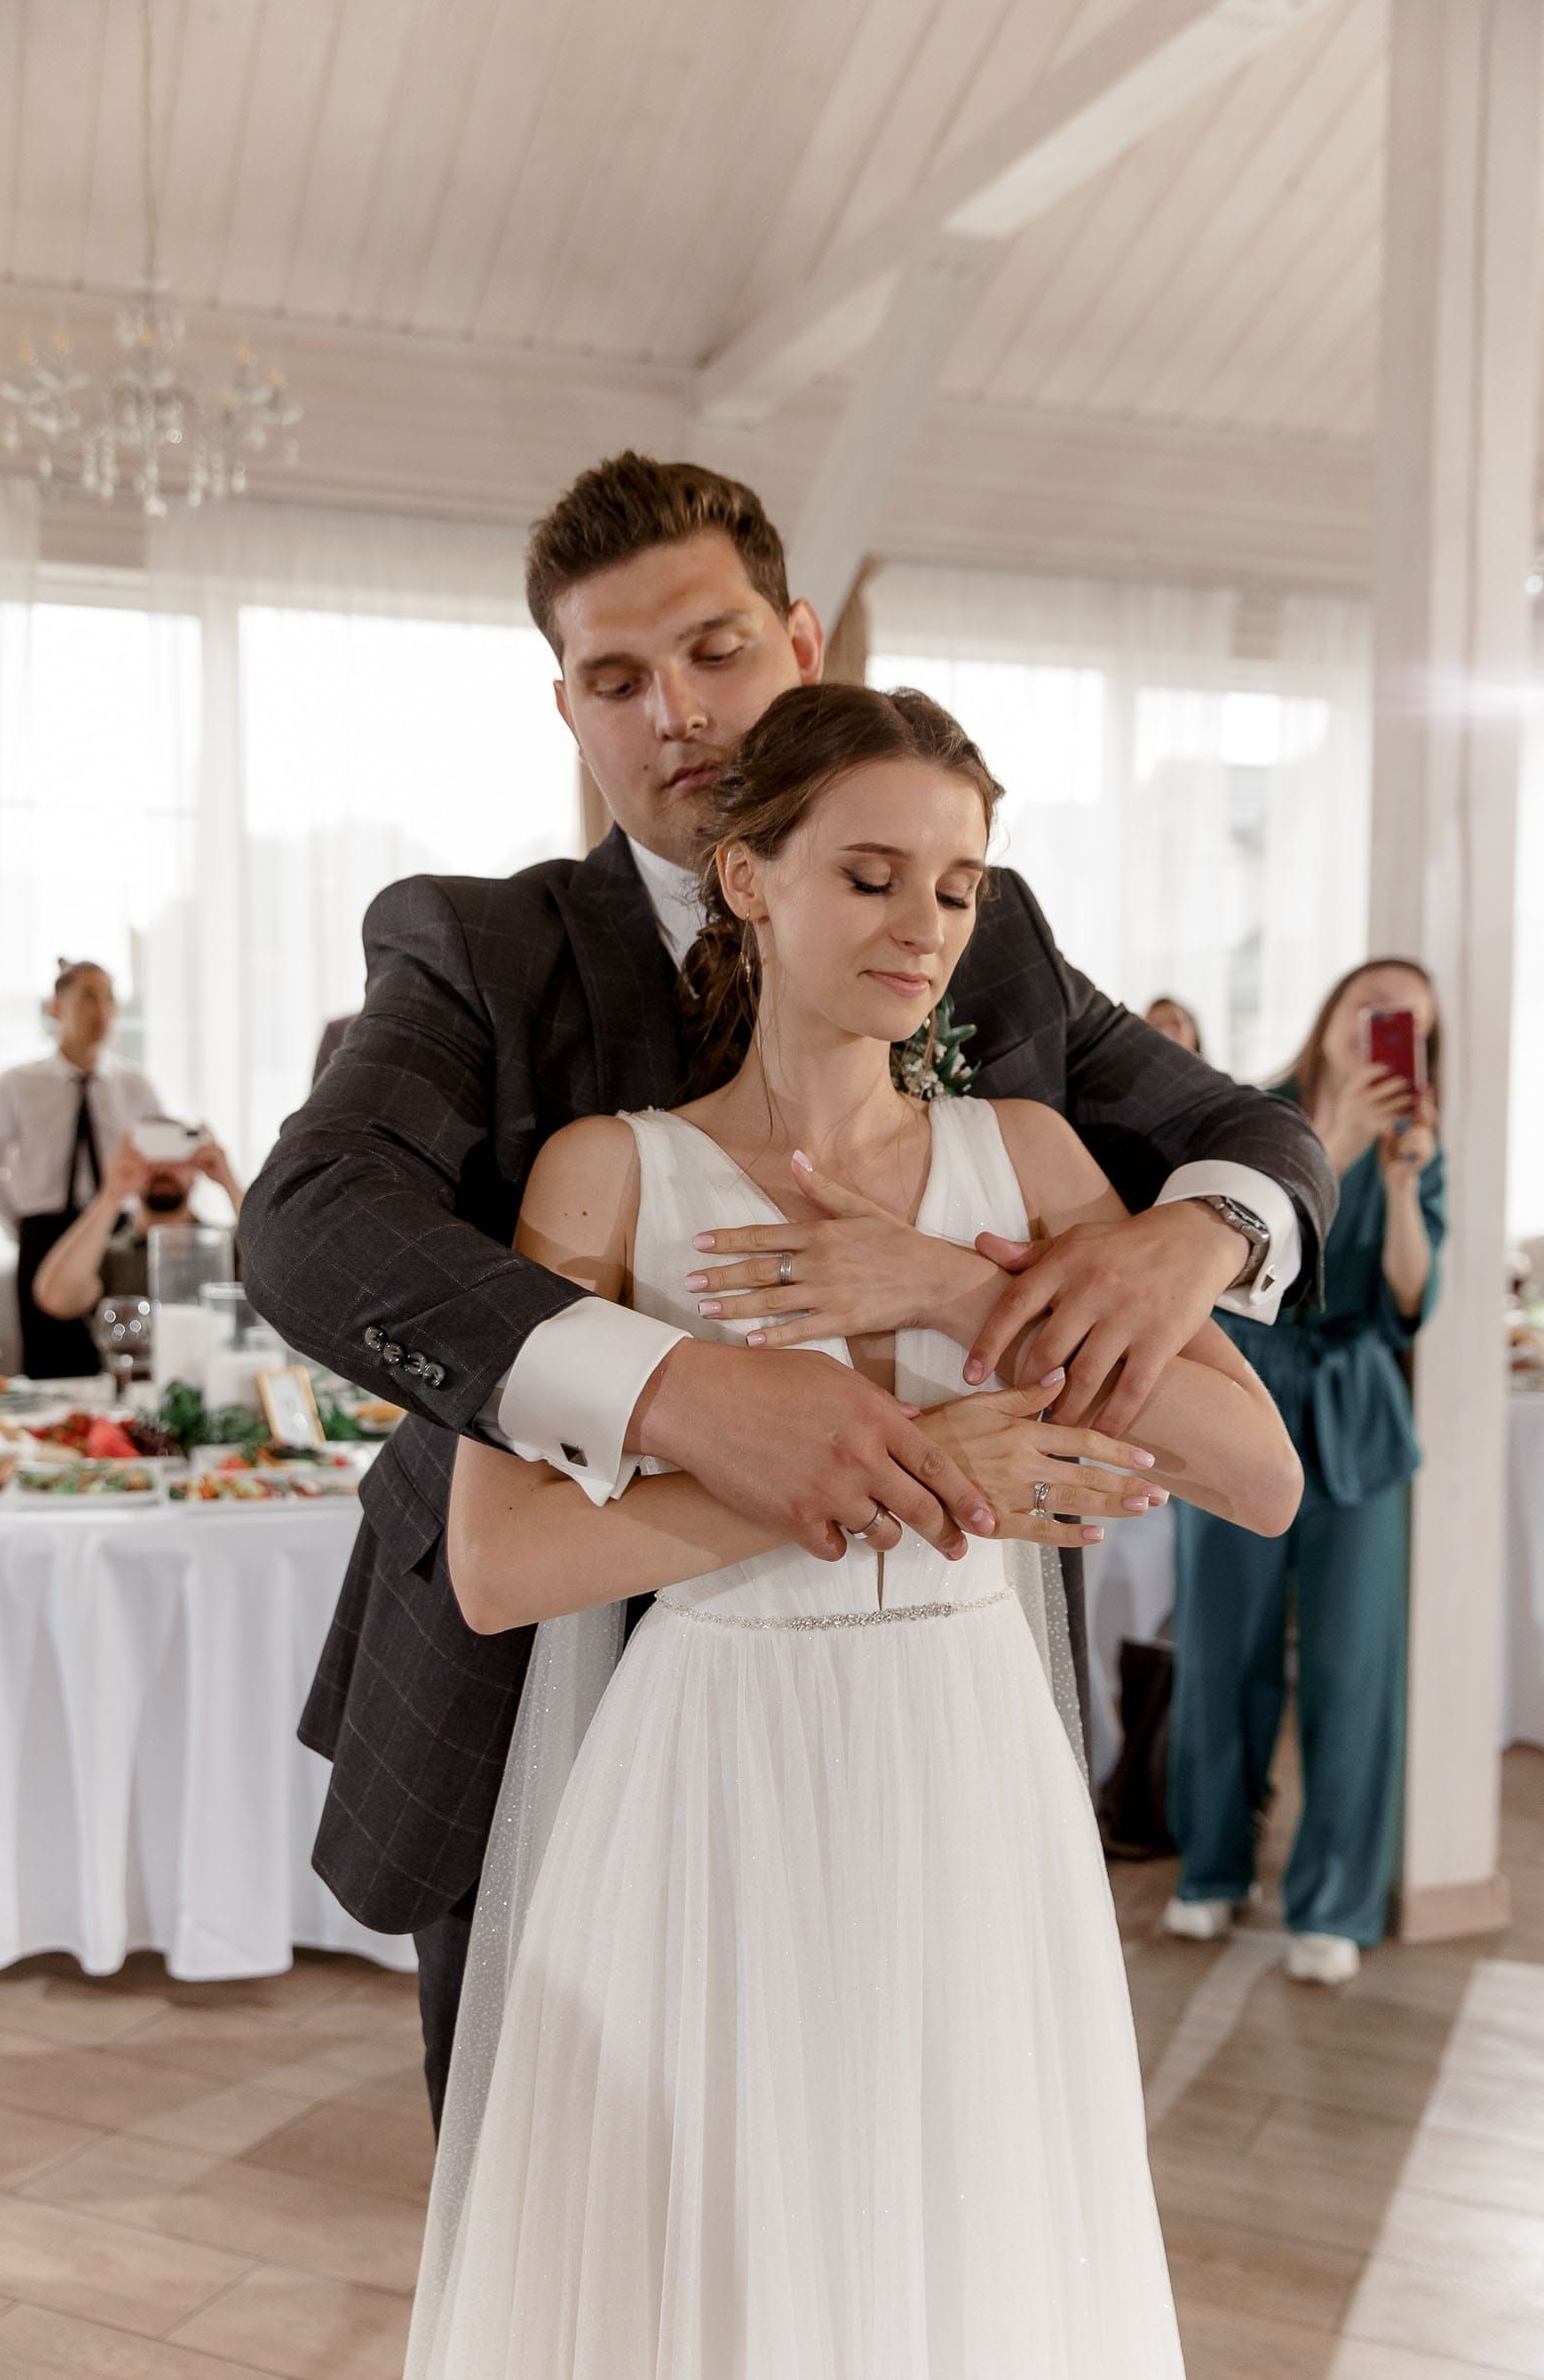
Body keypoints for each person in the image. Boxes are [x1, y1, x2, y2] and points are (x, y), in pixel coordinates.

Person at [239, 452, 1337, 2134]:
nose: (678, 711)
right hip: (542, 1680)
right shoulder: (481, 947)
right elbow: (313, 1222)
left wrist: (1184, 1243)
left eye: (718, 649)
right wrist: (688, 1398)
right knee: (588, 2233)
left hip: (923, 1738)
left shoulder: (980, 928)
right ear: (569, 711)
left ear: (802, 639)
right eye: (619, 679)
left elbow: (1238, 1134)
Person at [404, 683, 1302, 2376]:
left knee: (959, 2240)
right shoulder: (613, 1174)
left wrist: (962, 1283)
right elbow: (501, 1560)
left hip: (971, 1763)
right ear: (746, 877)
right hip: (710, 1760)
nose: (925, 927)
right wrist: (915, 1457)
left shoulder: (1021, 1159)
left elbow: (1255, 1471)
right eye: (873, 875)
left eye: (958, 888)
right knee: (718, 2260)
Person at [1164, 958, 1445, 1984]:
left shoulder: (1419, 1143)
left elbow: (1411, 1300)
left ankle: (1334, 1899)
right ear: (1333, 1014)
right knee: (1219, 1643)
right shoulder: (1255, 1118)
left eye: (1408, 1024)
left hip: (1359, 1413)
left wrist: (1404, 1185)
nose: (1385, 1029)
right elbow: (1237, 1256)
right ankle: (1211, 1867)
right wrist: (1344, 1144)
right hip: (1243, 1390)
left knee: (1349, 1666)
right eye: (1372, 1007)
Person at [0, 960, 164, 1378]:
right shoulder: (17, 1083)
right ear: (56, 1008)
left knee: (112, 1354)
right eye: (88, 996)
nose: (101, 1010)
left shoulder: (134, 1085)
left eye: (109, 999)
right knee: (47, 1356)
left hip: (112, 1229)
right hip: (42, 1232)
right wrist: (24, 1226)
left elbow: (160, 1158)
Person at [31, 1134, 245, 1324]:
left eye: (176, 1158)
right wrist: (110, 1196)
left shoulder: (227, 1245)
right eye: (152, 1156)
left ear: (196, 1166)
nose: (163, 1168)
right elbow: (56, 1299)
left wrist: (229, 1181)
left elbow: (274, 1261)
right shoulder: (111, 1255)